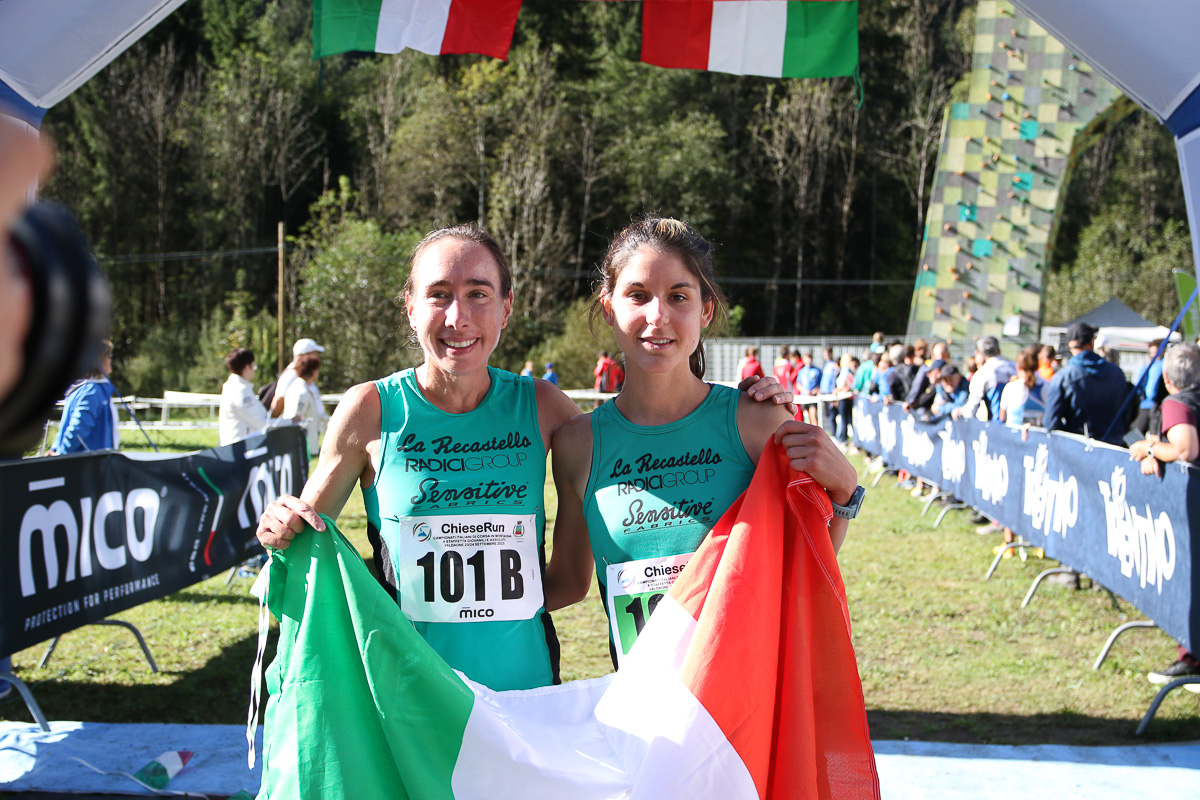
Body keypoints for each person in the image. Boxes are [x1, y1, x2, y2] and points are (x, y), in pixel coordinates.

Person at [254, 223, 798, 690]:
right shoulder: (370, 410)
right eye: (439, 294)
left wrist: (754, 409)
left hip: (526, 699)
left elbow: (631, 453)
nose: (458, 316)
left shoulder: (543, 408)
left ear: (506, 307)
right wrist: (281, 523)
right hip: (409, 696)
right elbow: (305, 543)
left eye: (478, 293)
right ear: (411, 307)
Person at [544, 217, 859, 666]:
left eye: (678, 296)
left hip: (746, 697)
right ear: (609, 307)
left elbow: (806, 568)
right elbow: (568, 582)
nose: (658, 316)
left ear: (705, 311)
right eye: (638, 295)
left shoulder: (757, 421)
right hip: (644, 704)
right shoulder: (578, 444)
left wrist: (844, 494)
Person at [1129, 342, 1200, 686]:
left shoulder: (1177, 402)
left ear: (1168, 379)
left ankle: (1191, 658)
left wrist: (1150, 447)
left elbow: (1186, 448)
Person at [1042, 322, 1129, 446]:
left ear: (1069, 345)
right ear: (1091, 343)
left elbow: (1051, 423)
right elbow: (1127, 412)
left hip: (1080, 448)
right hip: (1114, 447)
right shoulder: (1117, 373)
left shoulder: (1063, 377)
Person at [48, 339, 118, 455]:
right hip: (89, 462)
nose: (110, 359)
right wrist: (60, 454)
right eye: (109, 356)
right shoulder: (91, 391)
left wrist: (55, 448)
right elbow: (78, 429)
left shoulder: (83, 388)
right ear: (99, 360)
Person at [218, 347, 297, 446]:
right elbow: (260, 423)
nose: (254, 371)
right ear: (247, 368)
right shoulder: (240, 390)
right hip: (241, 448)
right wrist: (290, 422)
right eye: (253, 367)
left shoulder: (233, 386)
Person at [953, 335, 1016, 421]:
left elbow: (970, 411)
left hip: (997, 424)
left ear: (979, 353)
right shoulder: (1015, 367)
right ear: (998, 350)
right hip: (1020, 423)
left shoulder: (982, 374)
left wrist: (960, 411)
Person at [281, 352, 325, 456]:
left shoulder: (303, 387)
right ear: (313, 372)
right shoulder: (301, 392)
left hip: (301, 446)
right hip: (300, 447)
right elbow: (295, 419)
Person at [269, 337, 326, 418]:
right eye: (314, 353)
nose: (317, 357)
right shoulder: (291, 375)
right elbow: (278, 402)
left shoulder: (305, 374)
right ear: (304, 355)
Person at [998, 345, 1047, 428]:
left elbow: (1002, 418)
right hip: (1039, 434)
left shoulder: (1010, 387)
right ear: (1037, 366)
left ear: (1018, 367)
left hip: (1013, 434)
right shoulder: (1047, 385)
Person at [1132, 339, 1166, 436]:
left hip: (1153, 405)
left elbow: (1151, 390)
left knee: (1139, 434)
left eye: (1155, 352)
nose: (1153, 355)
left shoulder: (1160, 365)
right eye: (1151, 353)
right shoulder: (1150, 366)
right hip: (1147, 404)